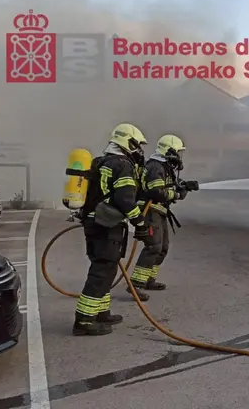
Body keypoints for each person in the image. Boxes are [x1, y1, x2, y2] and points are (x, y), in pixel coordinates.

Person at [73, 123, 151, 336]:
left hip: (94, 221)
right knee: (102, 271)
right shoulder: (122, 164)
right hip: (106, 225)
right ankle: (84, 320)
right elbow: (125, 200)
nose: (140, 151)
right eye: (138, 145)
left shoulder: (100, 161)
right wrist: (141, 224)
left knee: (106, 268)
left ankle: (100, 311)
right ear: (129, 143)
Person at [127, 134, 188, 301]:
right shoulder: (155, 166)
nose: (179, 156)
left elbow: (168, 188)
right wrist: (175, 193)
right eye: (177, 151)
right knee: (153, 246)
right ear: (169, 151)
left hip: (159, 211)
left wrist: (184, 187)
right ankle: (136, 285)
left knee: (163, 247)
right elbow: (156, 191)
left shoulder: (165, 167)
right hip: (149, 210)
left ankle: (148, 279)